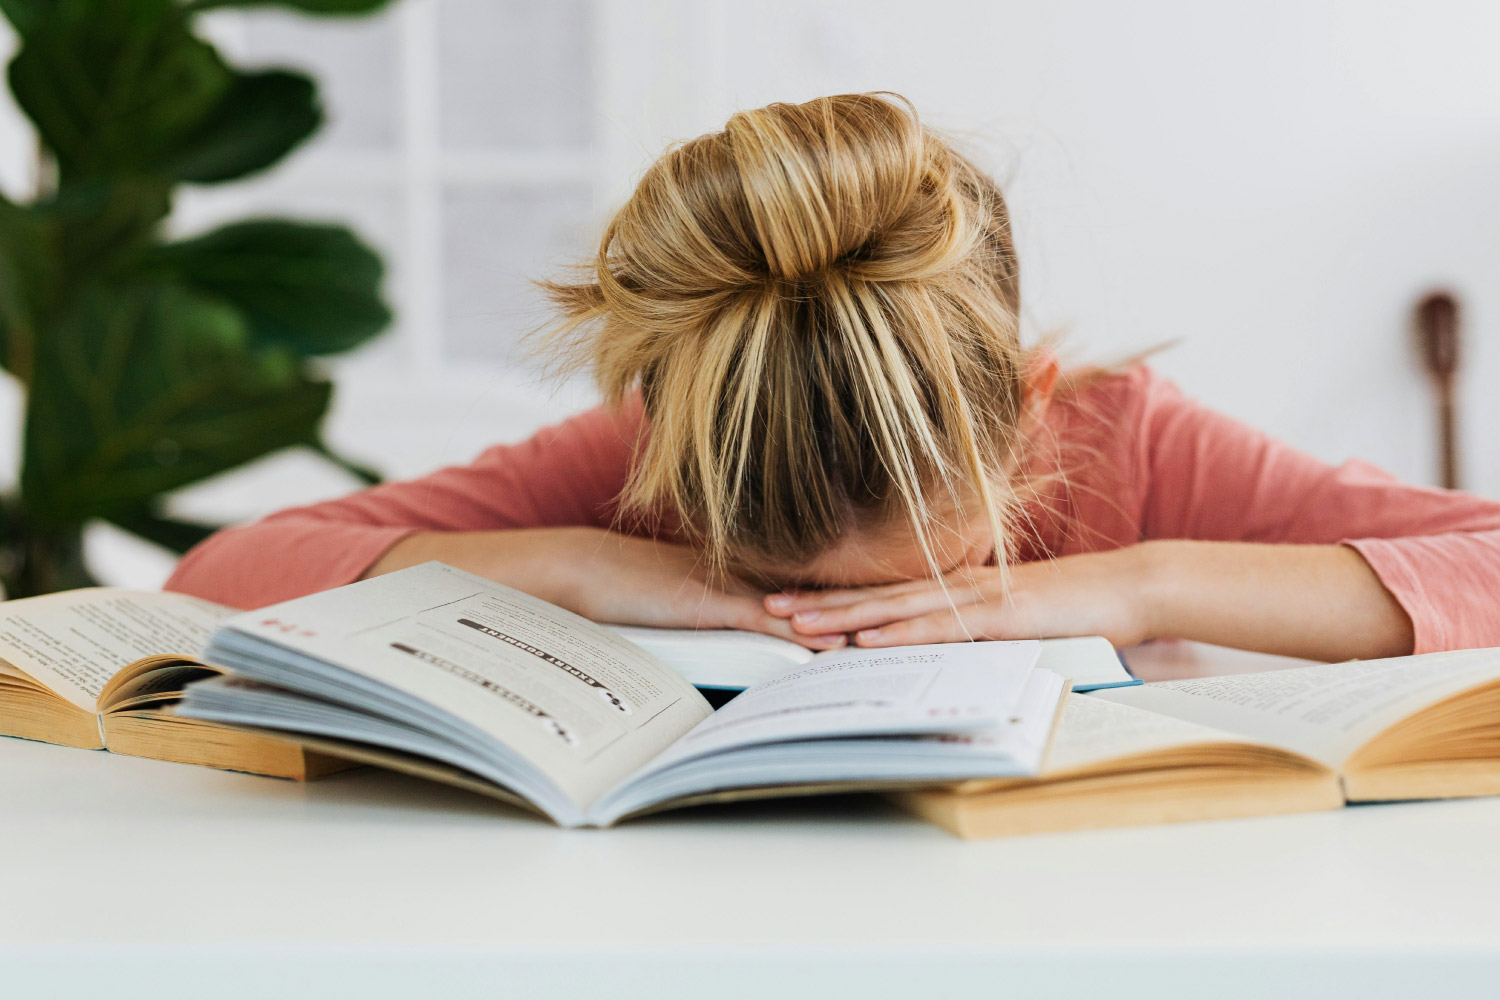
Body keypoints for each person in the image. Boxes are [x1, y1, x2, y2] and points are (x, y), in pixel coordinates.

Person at [166, 92, 1500, 662]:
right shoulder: (655, 454)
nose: (860, 633)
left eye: (934, 579)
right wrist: (578, 564)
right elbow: (221, 574)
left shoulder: (1130, 443)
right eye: (783, 590)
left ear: (1030, 413)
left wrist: (1131, 586)